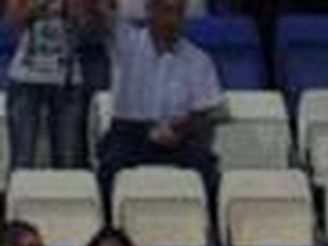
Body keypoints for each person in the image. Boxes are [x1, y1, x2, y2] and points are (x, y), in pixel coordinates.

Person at [94, 0, 224, 207]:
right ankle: (109, 226)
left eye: (178, 13)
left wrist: (182, 129)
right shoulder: (127, 42)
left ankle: (211, 229)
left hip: (179, 133)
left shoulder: (199, 59)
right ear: (150, 11)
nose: (172, 20)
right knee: (110, 165)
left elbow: (211, 112)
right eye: (166, 11)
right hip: (130, 132)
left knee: (207, 168)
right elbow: (100, 12)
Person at [5, 0, 101, 170]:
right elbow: (13, 20)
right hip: (25, 80)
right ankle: (21, 196)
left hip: (68, 81)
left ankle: (62, 197)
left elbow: (87, 27)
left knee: (67, 161)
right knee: (21, 159)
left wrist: (73, 8)